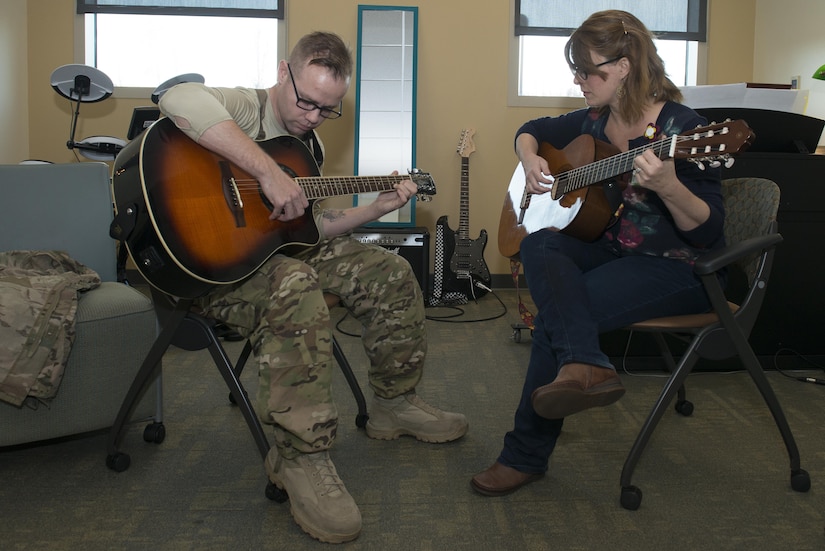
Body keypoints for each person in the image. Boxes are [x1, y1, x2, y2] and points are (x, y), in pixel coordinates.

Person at [158, 31, 468, 543]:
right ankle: (300, 457)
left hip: (277, 253)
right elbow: (176, 98)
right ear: (284, 72)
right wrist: (266, 171)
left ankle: (394, 402)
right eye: (306, 101)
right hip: (211, 268)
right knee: (296, 283)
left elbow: (308, 231)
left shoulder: (309, 146)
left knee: (389, 271)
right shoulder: (245, 106)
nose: (312, 117)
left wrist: (374, 210)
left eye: (329, 109)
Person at [471, 10, 724, 497]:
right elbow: (530, 127)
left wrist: (670, 187)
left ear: (625, 66)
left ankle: (524, 454)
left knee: (556, 317)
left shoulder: (685, 129)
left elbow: (709, 231)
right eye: (577, 71)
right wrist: (530, 157)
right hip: (610, 252)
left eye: (589, 72)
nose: (579, 81)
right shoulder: (594, 119)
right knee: (539, 241)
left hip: (675, 269)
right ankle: (587, 362)